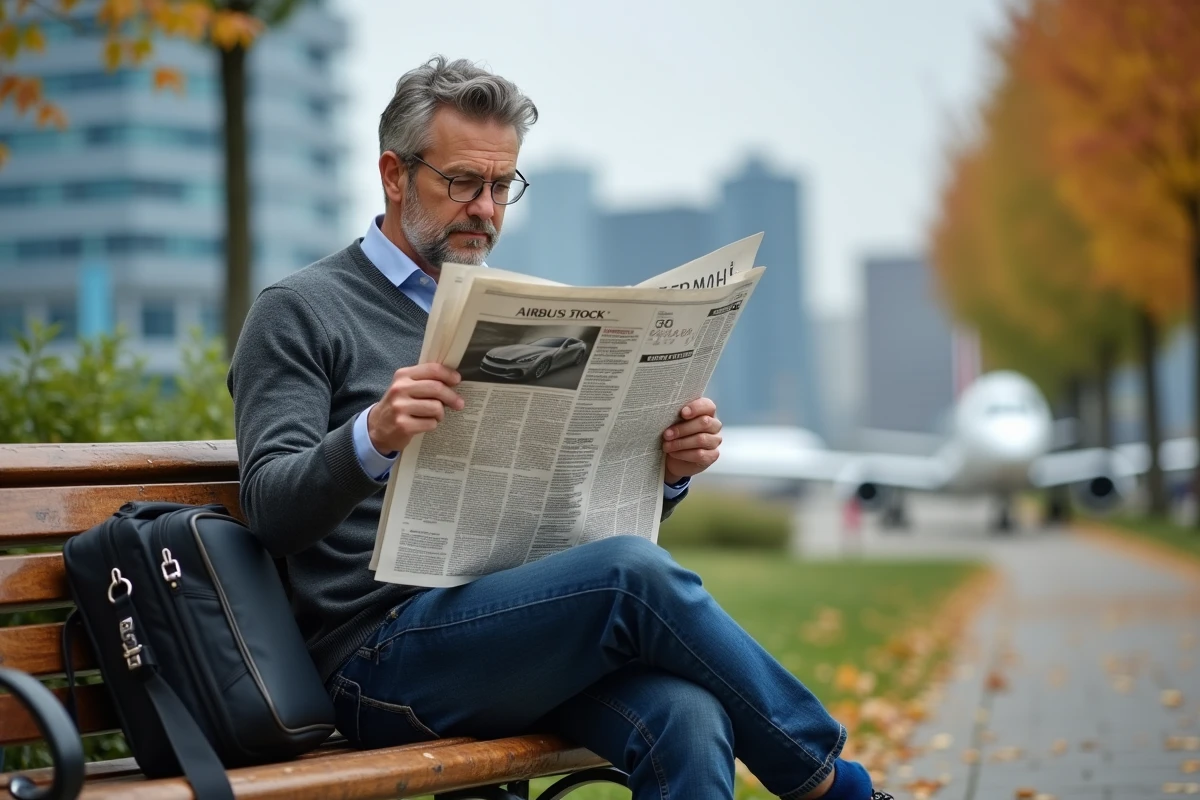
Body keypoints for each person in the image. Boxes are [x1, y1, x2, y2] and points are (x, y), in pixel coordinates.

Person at [228, 56, 891, 800]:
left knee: (689, 717)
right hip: (377, 661)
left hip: (515, 630)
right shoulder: (299, 310)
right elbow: (270, 510)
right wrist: (372, 436)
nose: (486, 209)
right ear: (393, 174)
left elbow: (567, 501)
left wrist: (667, 471)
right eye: (463, 183)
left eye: (502, 186)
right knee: (630, 578)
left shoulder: (506, 308)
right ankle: (833, 787)